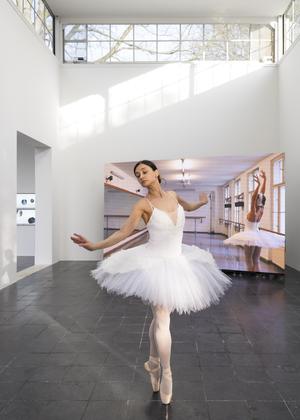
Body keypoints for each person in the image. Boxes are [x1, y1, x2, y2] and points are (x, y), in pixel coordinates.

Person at [71, 159, 232, 405]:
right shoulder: (142, 204)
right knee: (163, 318)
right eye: (137, 174)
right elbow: (123, 232)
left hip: (179, 261)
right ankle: (166, 372)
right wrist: (94, 245)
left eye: (144, 171)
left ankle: (152, 362)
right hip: (155, 264)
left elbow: (187, 207)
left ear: (157, 173)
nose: (141, 176)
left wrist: (201, 202)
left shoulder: (174, 196)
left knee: (159, 318)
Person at [224, 170, 285, 272]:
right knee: (256, 259)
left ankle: (251, 277)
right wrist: (265, 180)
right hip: (257, 234)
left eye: (256, 199)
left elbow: (253, 198)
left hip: (249, 235)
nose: (255, 199)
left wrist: (259, 185)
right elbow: (262, 194)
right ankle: (257, 276)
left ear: (256, 201)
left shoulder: (253, 212)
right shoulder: (261, 210)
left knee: (248, 259)